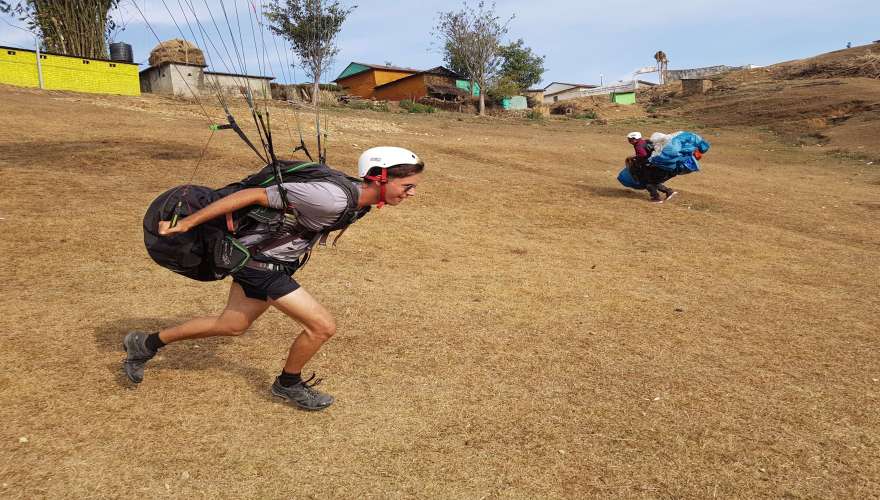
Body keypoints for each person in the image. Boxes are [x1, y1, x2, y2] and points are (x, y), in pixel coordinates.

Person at [123, 146, 425, 411]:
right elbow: (252, 195)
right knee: (321, 327)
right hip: (261, 266)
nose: (412, 194)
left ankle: (145, 343)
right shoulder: (330, 199)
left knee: (232, 325)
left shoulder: (360, 201)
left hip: (272, 263)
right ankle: (288, 383)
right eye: (407, 185)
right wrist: (187, 222)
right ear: (379, 177)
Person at [626, 131, 677, 203]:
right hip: (654, 164)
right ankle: (668, 191)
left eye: (630, 139)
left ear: (635, 139)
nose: (629, 141)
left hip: (649, 166)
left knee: (647, 182)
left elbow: (643, 154)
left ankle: (656, 198)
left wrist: (633, 157)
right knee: (653, 181)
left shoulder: (638, 145)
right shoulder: (644, 141)